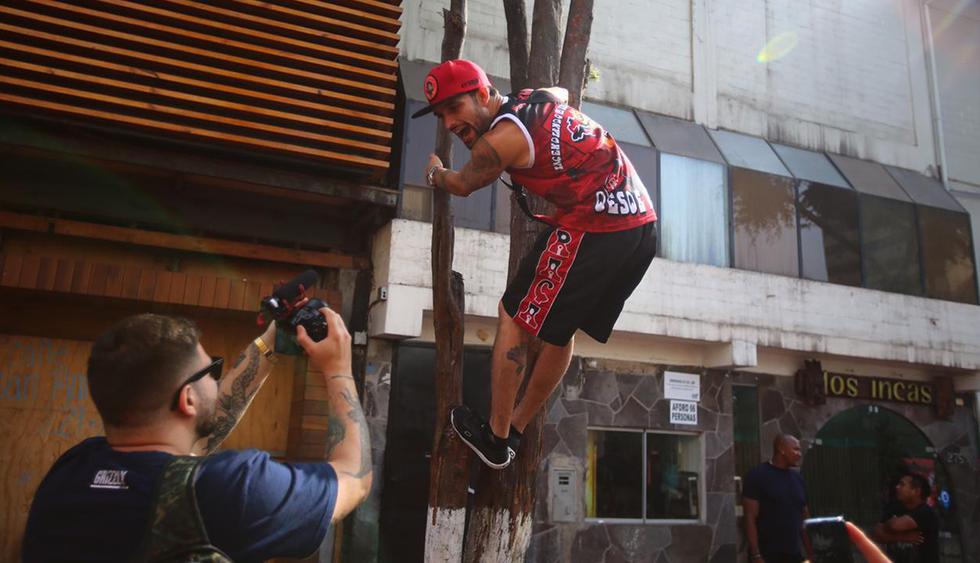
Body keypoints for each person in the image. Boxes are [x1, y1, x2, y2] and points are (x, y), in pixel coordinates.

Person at [414, 59, 658, 469]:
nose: (450, 122)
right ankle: (515, 432)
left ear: (482, 93)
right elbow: (561, 93)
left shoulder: (502, 140)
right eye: (441, 115)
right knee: (559, 331)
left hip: (596, 224)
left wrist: (436, 173)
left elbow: (464, 184)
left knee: (513, 315)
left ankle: (496, 435)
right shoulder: (532, 99)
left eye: (454, 108)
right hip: (640, 222)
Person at [21, 309, 371, 561]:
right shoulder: (226, 489)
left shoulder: (72, 471)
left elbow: (192, 446)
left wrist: (268, 345)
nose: (216, 381)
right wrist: (338, 369)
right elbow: (354, 478)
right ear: (187, 398)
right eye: (211, 370)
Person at [743, 434, 810, 563]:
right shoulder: (757, 476)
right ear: (781, 449)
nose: (799, 454)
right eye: (795, 449)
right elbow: (749, 518)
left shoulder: (798, 479)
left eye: (799, 450)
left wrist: (811, 553)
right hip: (767, 555)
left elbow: (805, 519)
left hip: (794, 554)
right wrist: (756, 555)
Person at [872, 473, 939, 563]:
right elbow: (876, 534)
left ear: (916, 491)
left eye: (902, 484)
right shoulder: (894, 508)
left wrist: (888, 527)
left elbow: (894, 526)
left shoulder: (925, 512)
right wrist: (902, 537)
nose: (897, 487)